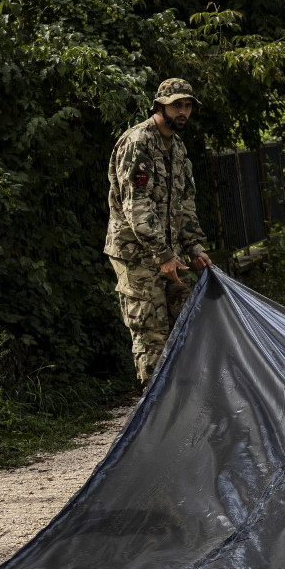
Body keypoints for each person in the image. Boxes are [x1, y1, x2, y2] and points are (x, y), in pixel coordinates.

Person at [106, 78, 213, 384]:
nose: (183, 111)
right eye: (177, 105)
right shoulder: (138, 142)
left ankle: (184, 397)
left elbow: (185, 202)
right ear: (160, 105)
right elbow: (135, 206)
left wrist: (195, 247)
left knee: (188, 319)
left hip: (171, 253)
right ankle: (154, 412)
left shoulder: (177, 146)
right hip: (136, 254)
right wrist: (163, 253)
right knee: (151, 332)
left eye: (188, 105)